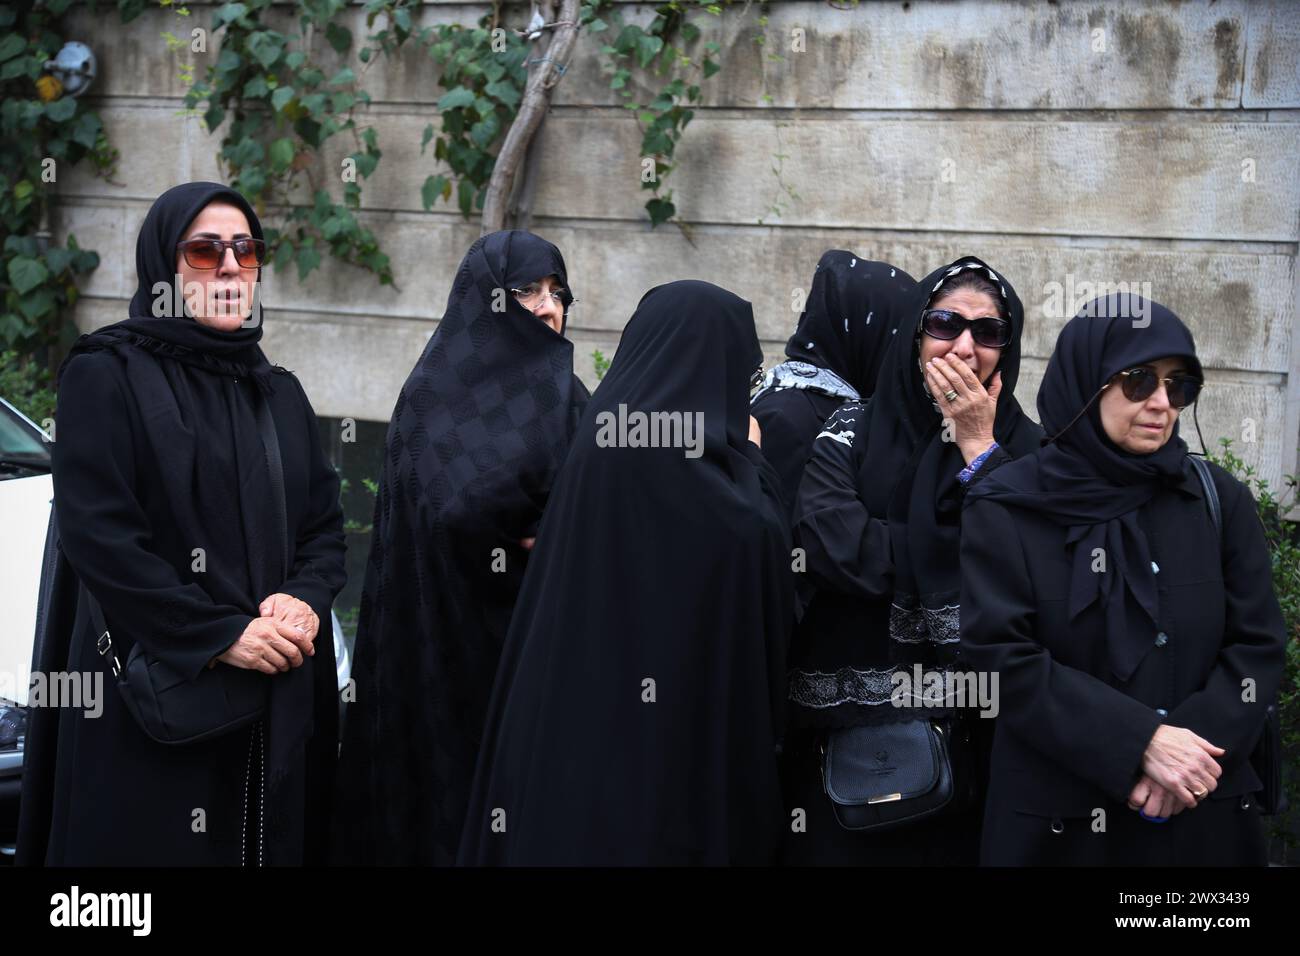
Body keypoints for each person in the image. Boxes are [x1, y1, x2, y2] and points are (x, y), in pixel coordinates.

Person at [18, 181, 346, 866]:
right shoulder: (106, 374)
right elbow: (101, 538)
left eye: (245, 250)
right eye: (204, 251)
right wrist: (219, 635)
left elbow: (322, 527)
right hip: (155, 699)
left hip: (272, 697)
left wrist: (306, 600)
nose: (229, 268)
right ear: (165, 266)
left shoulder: (277, 390)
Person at [458, 280, 793, 865]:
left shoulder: (603, 441)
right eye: (745, 373)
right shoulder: (713, 479)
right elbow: (756, 552)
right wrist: (758, 461)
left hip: (573, 747)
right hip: (671, 754)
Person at [960, 294, 1287, 865]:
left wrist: (1187, 758)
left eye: (1179, 386)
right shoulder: (1010, 505)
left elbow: (1258, 646)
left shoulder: (1214, 500)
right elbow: (999, 659)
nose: (1162, 403)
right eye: (1138, 382)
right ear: (1088, 382)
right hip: (1059, 828)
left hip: (1200, 816)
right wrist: (1139, 743)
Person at [331, 230, 589, 865]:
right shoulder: (431, 399)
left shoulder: (570, 401)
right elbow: (451, 514)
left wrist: (558, 533)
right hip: (437, 652)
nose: (549, 307)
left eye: (559, 293)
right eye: (527, 290)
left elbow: (606, 509)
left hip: (537, 661)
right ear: (487, 299)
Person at [784, 255, 1043, 865]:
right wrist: (952, 549)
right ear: (914, 334)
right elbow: (828, 544)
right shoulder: (851, 429)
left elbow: (1030, 565)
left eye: (988, 331)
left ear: (1007, 349)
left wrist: (979, 445)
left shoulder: (1029, 450)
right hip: (847, 748)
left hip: (981, 749)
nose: (964, 345)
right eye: (945, 323)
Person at [750, 252, 916, 517]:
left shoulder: (850, 403)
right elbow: (777, 534)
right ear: (868, 333)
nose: (905, 356)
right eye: (897, 336)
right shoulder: (786, 416)